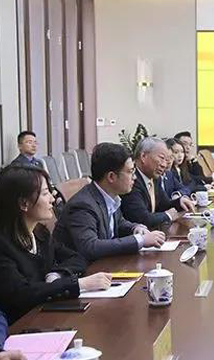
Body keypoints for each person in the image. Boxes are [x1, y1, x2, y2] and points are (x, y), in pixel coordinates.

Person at [0, 165, 112, 325]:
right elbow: (22, 294)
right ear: (24, 203)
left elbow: (77, 258)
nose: (52, 199)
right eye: (45, 193)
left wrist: (57, 275)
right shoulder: (4, 245)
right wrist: (78, 284)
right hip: (21, 324)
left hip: (47, 313)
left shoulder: (40, 233)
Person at [54, 143, 166, 261]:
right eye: (130, 172)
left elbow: (118, 223)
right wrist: (140, 240)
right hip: (83, 269)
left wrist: (135, 228)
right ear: (111, 177)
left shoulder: (110, 196)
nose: (134, 177)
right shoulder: (83, 205)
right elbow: (91, 247)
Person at [121, 137, 195, 229]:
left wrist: (179, 202)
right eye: (161, 158)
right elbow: (142, 219)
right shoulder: (131, 180)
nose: (164, 165)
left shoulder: (154, 177)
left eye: (167, 160)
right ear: (143, 156)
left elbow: (164, 205)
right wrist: (168, 215)